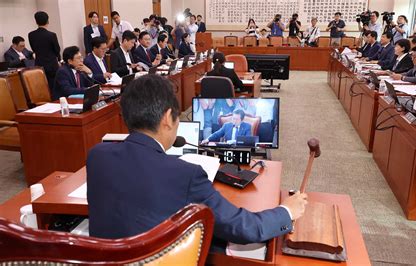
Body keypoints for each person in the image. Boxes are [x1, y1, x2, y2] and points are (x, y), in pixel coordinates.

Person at [86, 74, 308, 243]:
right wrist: (286, 211)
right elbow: (243, 227)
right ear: (167, 118)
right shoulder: (185, 174)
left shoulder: (97, 156)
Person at [28, 11, 61, 91]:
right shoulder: (51, 35)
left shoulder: (31, 34)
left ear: (36, 21)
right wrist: (59, 60)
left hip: (39, 65)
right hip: (52, 65)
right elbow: (57, 50)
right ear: (48, 21)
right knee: (53, 88)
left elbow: (33, 49)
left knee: (42, 88)